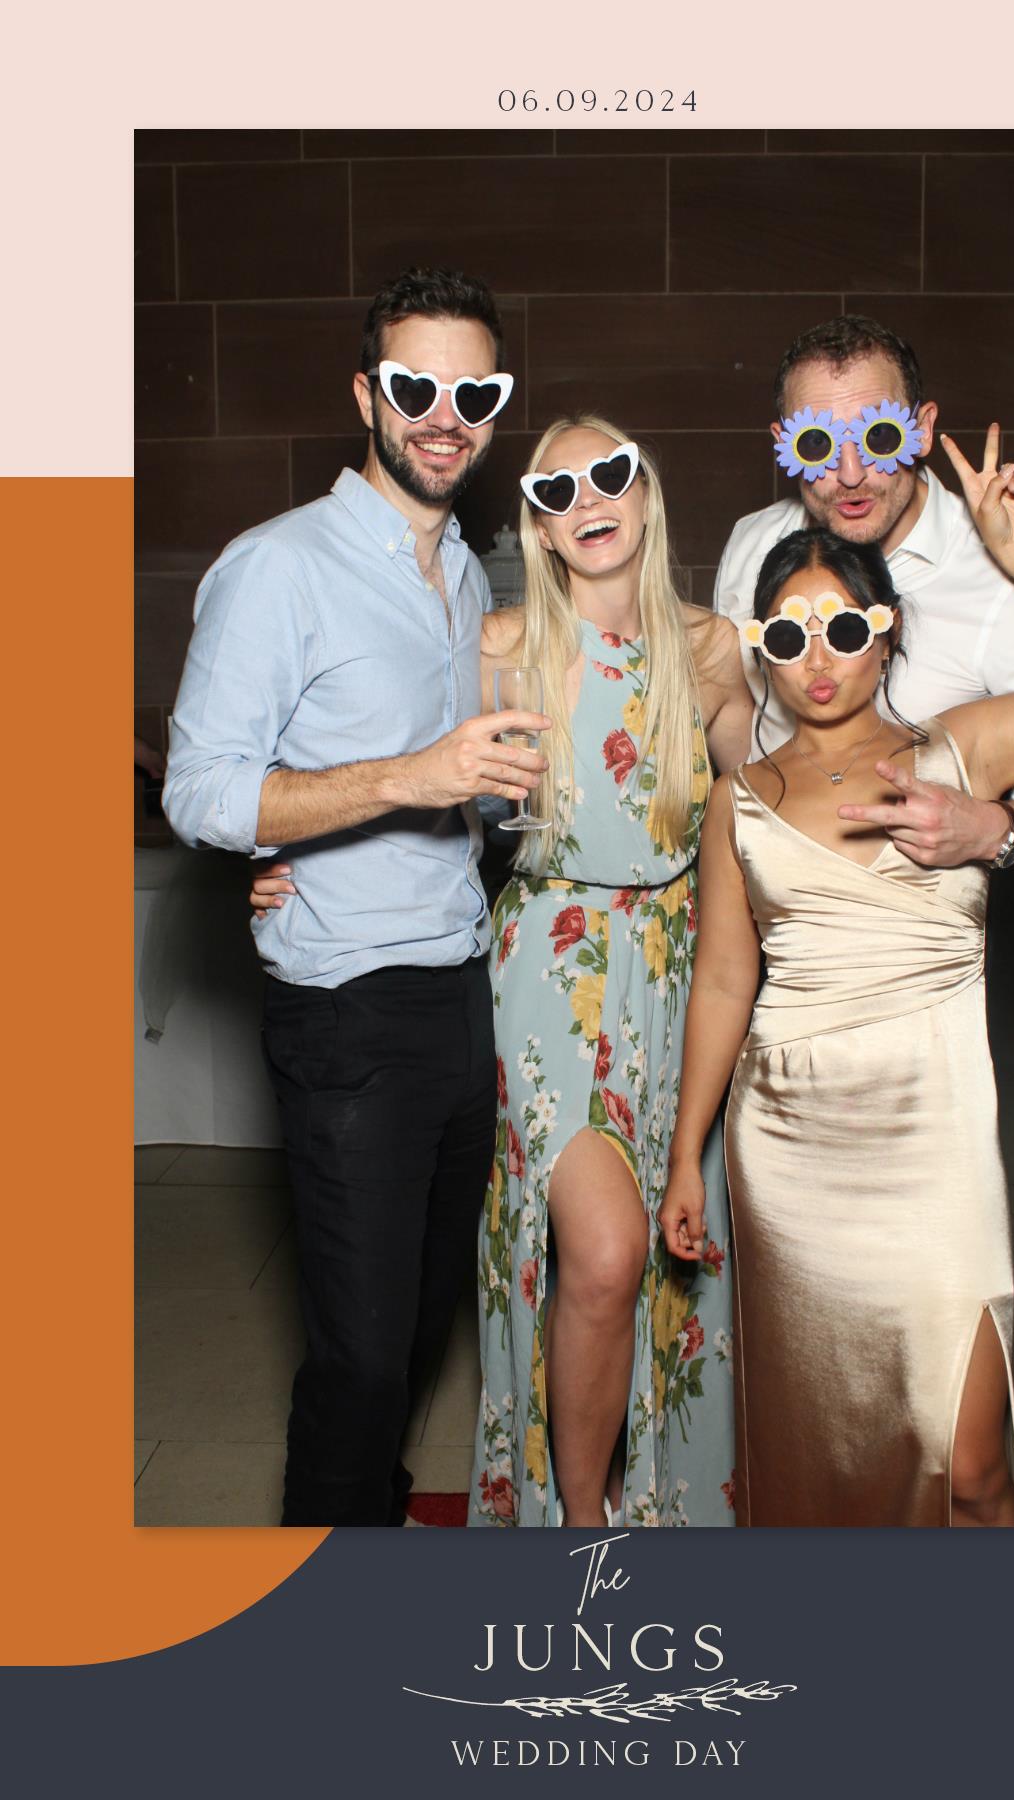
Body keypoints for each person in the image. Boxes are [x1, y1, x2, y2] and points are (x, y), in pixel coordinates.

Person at [163, 267, 550, 1528]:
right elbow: (202, 791)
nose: (445, 415)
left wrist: (499, 800)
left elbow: (447, 790)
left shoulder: (466, 580)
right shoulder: (278, 567)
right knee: (360, 1359)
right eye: (415, 386)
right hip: (344, 1009)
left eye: (473, 393)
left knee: (419, 1326)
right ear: (366, 396)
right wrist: (406, 778)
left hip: (457, 989)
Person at [659, 446, 1014, 1527]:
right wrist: (687, 1156)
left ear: (886, 634)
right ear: (762, 653)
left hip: (936, 1139)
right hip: (789, 1144)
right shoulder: (740, 798)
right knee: (822, 1454)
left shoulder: (963, 751)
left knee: (970, 1464)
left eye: (843, 628)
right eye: (788, 636)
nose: (819, 659)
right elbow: (723, 982)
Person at [470, 417, 753, 1528]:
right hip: (550, 961)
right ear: (539, 527)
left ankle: (648, 1501)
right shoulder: (501, 646)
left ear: (646, 492)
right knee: (605, 1249)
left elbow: (772, 797)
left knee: (664, 1247)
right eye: (558, 489)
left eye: (610, 475)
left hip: (678, 968)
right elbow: (400, 767)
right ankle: (579, 1527)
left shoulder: (712, 649)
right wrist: (286, 859)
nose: (588, 499)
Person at [714, 314, 1014, 872]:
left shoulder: (995, 582)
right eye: (818, 443)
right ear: (783, 444)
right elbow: (740, 726)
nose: (851, 473)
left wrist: (995, 830)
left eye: (878, 437)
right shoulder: (751, 544)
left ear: (921, 429)